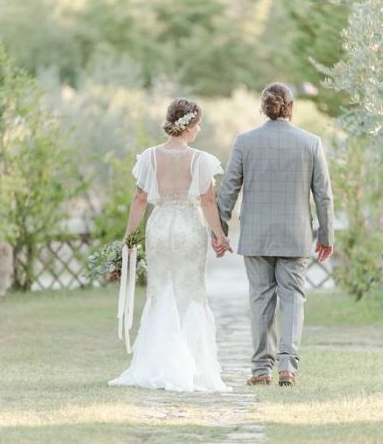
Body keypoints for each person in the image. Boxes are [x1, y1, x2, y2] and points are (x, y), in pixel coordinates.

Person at [108, 98, 231, 392]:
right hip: (189, 226)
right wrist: (220, 235)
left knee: (160, 291)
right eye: (198, 123)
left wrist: (128, 236)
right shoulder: (201, 160)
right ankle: (193, 365)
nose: (199, 129)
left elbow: (139, 199)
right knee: (191, 293)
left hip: (160, 227)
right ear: (188, 125)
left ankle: (158, 363)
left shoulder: (149, 157)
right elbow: (208, 201)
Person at [215, 82, 334, 387]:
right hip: (296, 235)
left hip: (255, 236)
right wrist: (326, 235)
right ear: (291, 108)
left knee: (260, 299)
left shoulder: (245, 142)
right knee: (293, 298)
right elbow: (323, 195)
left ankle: (259, 370)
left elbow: (228, 189)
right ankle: (287, 367)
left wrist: (220, 231)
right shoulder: (311, 143)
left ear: (263, 109)